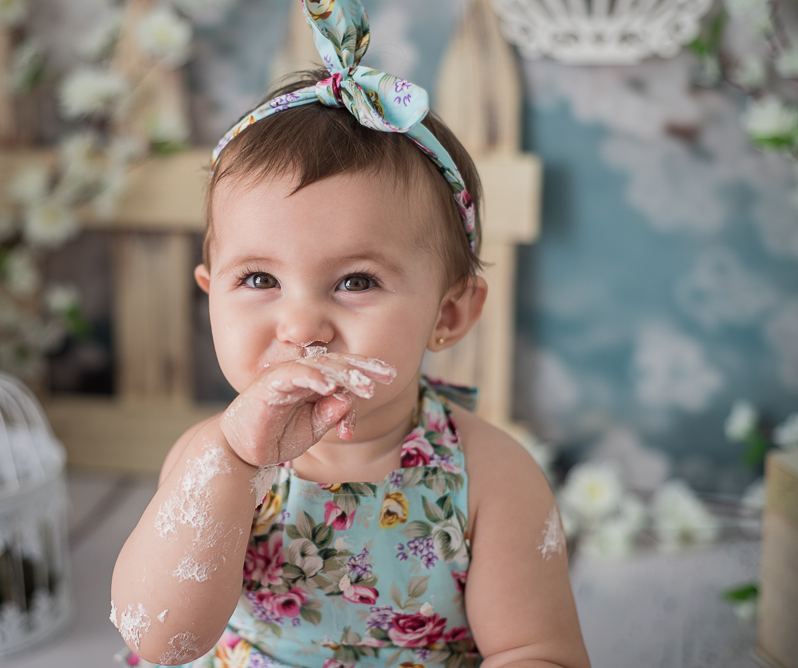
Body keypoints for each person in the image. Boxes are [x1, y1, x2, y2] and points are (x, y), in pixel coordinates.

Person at [111, 1, 590, 666]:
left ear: (449, 314)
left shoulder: (490, 477)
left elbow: (539, 653)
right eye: (258, 280)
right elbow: (158, 638)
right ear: (210, 296)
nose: (302, 324)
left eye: (356, 282)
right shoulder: (212, 463)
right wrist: (233, 461)